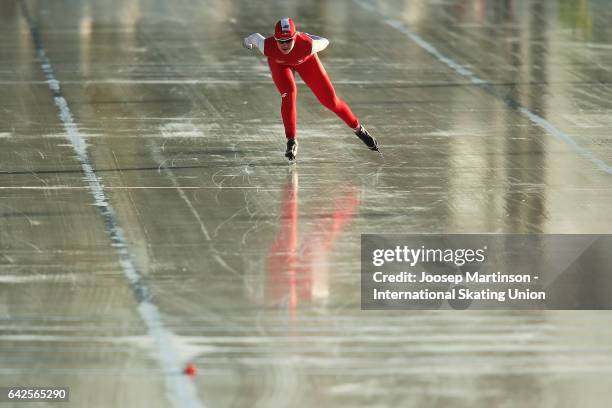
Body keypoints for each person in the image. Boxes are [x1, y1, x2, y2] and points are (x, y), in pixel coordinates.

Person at [242, 18, 380, 161]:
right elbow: (253, 38)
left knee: (330, 101)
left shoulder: (308, 45)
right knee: (289, 93)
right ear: (275, 39)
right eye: (280, 41)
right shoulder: (266, 46)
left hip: (306, 61)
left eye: (289, 40)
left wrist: (308, 36)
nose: (284, 45)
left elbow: (325, 41)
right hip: (280, 65)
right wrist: (247, 42)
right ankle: (291, 140)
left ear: (295, 37)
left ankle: (358, 129)